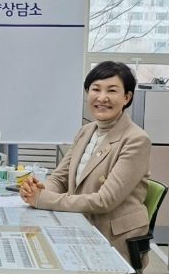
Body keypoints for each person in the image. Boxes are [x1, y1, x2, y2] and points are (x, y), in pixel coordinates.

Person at [20, 61, 151, 261]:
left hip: (113, 240)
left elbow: (104, 201)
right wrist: (37, 189)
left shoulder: (136, 140)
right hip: (78, 224)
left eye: (112, 90)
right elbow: (60, 178)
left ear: (127, 97)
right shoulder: (86, 131)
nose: (102, 97)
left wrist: (42, 199)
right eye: (95, 89)